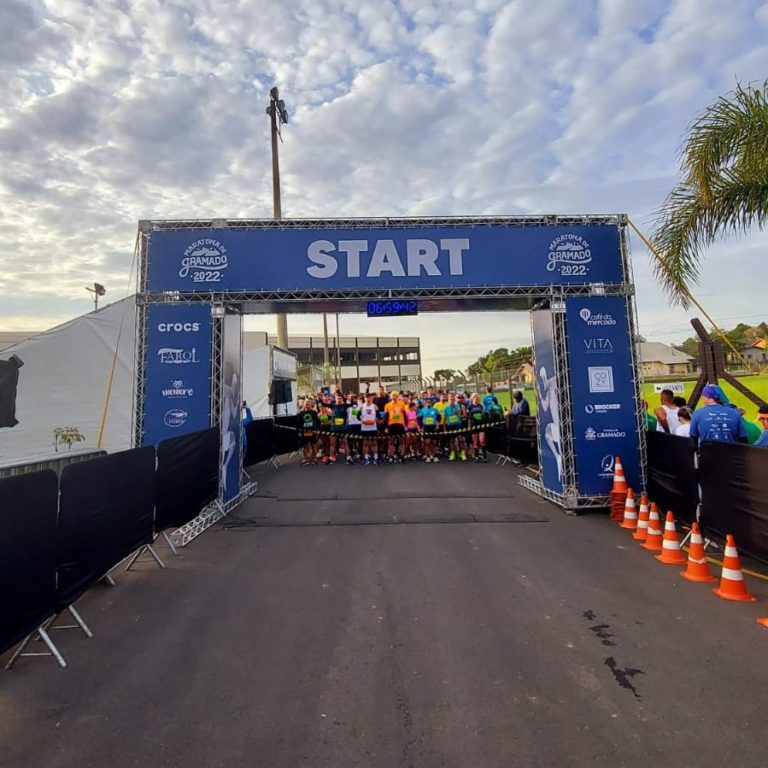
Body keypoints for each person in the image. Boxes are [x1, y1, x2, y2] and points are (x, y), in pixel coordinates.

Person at [384, 391, 407, 462]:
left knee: (402, 440)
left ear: (397, 396)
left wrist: (405, 425)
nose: (393, 397)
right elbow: (386, 417)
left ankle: (402, 455)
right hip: (391, 425)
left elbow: (404, 415)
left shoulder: (402, 404)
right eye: (392, 396)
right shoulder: (387, 405)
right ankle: (391, 455)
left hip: (400, 424)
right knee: (391, 441)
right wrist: (386, 427)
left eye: (395, 395)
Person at [419, 396, 442, 462]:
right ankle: (428, 456)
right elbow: (420, 419)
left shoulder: (435, 409)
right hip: (426, 428)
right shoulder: (422, 410)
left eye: (430, 402)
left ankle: (434, 455)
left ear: (432, 403)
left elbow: (439, 417)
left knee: (434, 442)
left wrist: (437, 424)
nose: (428, 403)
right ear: (425, 403)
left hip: (433, 427)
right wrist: (421, 427)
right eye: (427, 402)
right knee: (427, 442)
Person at [359, 392, 379, 465]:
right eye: (366, 397)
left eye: (369, 397)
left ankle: (376, 457)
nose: (368, 399)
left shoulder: (375, 406)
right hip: (364, 428)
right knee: (365, 443)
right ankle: (366, 458)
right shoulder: (362, 407)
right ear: (364, 398)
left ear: (371, 398)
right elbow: (358, 416)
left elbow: (378, 416)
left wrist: (375, 420)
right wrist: (363, 421)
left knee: (374, 443)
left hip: (373, 428)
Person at [299, 399, 320, 465]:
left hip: (312, 432)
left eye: (308, 404)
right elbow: (299, 423)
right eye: (306, 404)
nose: (307, 405)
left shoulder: (314, 412)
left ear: (311, 405)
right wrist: (300, 432)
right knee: (305, 446)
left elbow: (318, 422)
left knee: (313, 445)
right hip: (304, 432)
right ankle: (306, 459)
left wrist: (317, 430)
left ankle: (315, 458)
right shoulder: (301, 413)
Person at [468, 393, 488, 462]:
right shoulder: (470, 407)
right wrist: (469, 426)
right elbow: (469, 417)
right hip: (474, 426)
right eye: (475, 398)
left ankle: (484, 456)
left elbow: (483, 414)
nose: (476, 399)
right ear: (472, 399)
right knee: (475, 442)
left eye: (477, 398)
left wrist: (483, 419)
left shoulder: (480, 406)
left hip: (481, 425)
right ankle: (476, 456)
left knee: (482, 441)